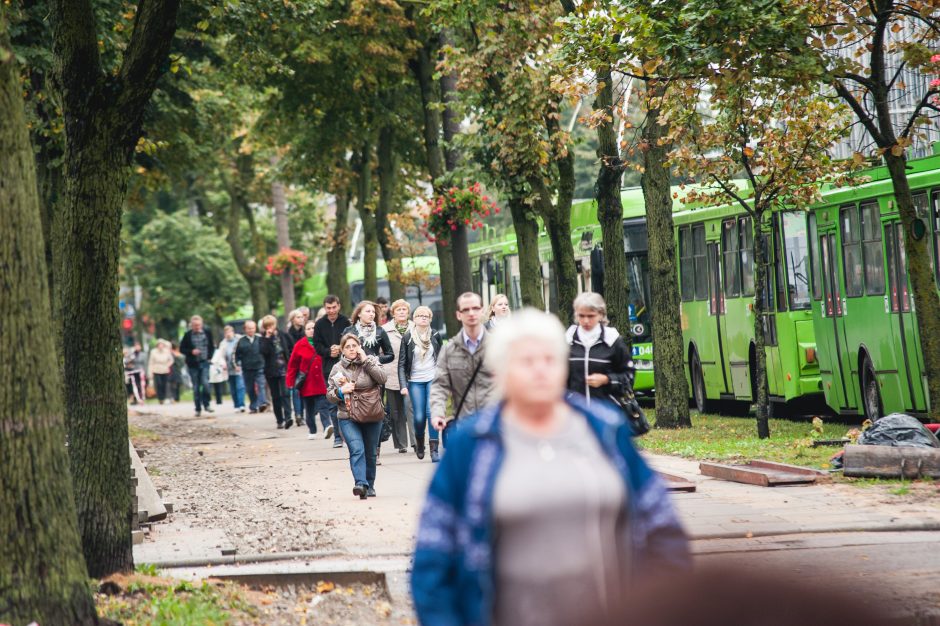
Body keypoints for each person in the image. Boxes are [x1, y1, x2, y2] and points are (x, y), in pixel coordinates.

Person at [411, 309, 690, 626]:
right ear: (500, 372)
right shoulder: (473, 443)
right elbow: (433, 559)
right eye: (527, 362)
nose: (541, 370)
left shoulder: (605, 430)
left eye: (550, 360)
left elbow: (663, 529)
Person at [429, 292, 496, 454]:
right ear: (459, 315)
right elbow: (440, 385)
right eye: (466, 310)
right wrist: (438, 413)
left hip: (494, 425)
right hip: (464, 425)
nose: (471, 313)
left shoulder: (498, 346)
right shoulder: (449, 350)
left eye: (475, 308)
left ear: (482, 311)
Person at [327, 334, 387, 499]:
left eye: (354, 345)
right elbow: (329, 396)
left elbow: (382, 378)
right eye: (348, 347)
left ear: (359, 346)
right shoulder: (337, 368)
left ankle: (370, 485)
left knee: (370, 452)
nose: (352, 349)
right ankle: (360, 484)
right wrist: (340, 391)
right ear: (342, 350)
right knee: (357, 449)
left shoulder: (371, 360)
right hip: (347, 416)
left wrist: (366, 360)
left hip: (372, 413)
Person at [566, 292, 633, 407]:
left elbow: (629, 376)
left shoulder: (613, 341)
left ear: (601, 314)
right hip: (575, 413)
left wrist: (607, 379)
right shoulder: (567, 341)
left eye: (591, 316)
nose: (586, 321)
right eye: (581, 316)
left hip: (607, 412)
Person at [398, 306, 443, 461]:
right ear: (414, 319)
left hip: (432, 378)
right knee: (418, 417)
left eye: (427, 316)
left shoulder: (435, 335)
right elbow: (402, 364)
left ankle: (434, 449)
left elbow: (441, 359)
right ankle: (419, 441)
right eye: (420, 315)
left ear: (430, 319)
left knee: (432, 413)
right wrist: (403, 385)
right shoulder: (408, 337)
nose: (424, 318)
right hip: (415, 381)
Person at [313, 295, 350, 448]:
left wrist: (341, 349)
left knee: (348, 400)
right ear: (325, 308)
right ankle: (337, 436)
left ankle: (349, 435)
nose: (332, 310)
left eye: (334, 307)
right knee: (333, 401)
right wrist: (329, 351)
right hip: (329, 367)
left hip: (346, 365)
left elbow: (351, 340)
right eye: (328, 308)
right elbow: (317, 345)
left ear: (338, 306)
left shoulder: (345, 322)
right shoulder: (320, 324)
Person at [286, 319, 332, 440]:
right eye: (308, 328)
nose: (311, 330)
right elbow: (292, 365)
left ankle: (327, 426)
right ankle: (312, 430)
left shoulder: (323, 342)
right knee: (309, 409)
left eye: (313, 328)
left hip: (321, 381)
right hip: (306, 383)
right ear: (305, 331)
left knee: (323, 406)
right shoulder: (299, 345)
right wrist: (290, 382)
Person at [382, 299, 416, 455]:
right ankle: (401, 444)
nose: (402, 312)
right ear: (393, 312)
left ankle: (417, 442)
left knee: (411, 408)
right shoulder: (385, 330)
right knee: (396, 412)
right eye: (398, 309)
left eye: (404, 309)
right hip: (391, 374)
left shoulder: (416, 328)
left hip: (412, 374)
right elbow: (381, 353)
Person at [259, 314, 295, 429]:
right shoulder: (262, 339)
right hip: (271, 371)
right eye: (267, 326)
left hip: (284, 369)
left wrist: (289, 358)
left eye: (272, 325)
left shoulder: (283, 335)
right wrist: (267, 338)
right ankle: (279, 420)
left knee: (285, 393)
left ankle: (288, 417)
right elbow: (263, 352)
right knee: (276, 396)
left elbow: (291, 346)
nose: (270, 327)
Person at [179, 316, 215, 416]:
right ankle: (198, 408)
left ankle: (207, 404)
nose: (197, 327)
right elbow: (182, 349)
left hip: (205, 362)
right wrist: (191, 351)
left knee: (206, 384)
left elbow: (212, 346)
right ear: (191, 325)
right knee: (196, 387)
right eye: (195, 325)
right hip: (193, 364)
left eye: (198, 325)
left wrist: (210, 357)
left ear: (201, 324)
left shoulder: (207, 332)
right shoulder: (187, 335)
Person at [343, 301, 394, 365]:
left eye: (373, 312)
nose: (371, 314)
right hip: (353, 370)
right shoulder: (349, 331)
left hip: (373, 369)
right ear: (359, 314)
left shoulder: (380, 331)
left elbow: (390, 355)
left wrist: (376, 359)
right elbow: (342, 354)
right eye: (368, 311)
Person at [235, 320, 269, 414]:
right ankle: (253, 406)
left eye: (252, 328)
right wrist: (237, 364)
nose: (251, 330)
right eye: (249, 328)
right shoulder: (241, 341)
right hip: (247, 368)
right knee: (250, 388)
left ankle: (262, 403)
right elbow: (236, 355)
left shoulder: (260, 338)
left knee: (261, 385)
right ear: (245, 329)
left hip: (260, 366)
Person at [285, 309, 307, 426]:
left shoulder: (305, 332)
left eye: (302, 317)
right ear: (293, 319)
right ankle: (298, 415)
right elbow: (287, 351)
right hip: (295, 366)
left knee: (305, 391)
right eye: (298, 317)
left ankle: (303, 414)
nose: (301, 319)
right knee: (296, 391)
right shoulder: (288, 335)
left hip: (306, 365)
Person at [219, 325, 246, 412]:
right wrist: (223, 364)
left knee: (240, 386)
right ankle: (236, 405)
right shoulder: (223, 343)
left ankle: (241, 404)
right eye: (226, 333)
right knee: (233, 388)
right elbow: (221, 356)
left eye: (229, 332)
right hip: (228, 369)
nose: (228, 334)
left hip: (239, 367)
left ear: (233, 332)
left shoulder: (239, 340)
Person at [148, 339, 174, 404]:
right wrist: (150, 371)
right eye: (159, 344)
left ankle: (164, 397)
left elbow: (171, 360)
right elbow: (151, 362)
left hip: (165, 370)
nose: (160, 346)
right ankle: (160, 398)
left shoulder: (166, 351)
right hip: (156, 370)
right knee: (159, 384)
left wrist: (167, 365)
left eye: (162, 344)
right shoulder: (153, 352)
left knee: (164, 384)